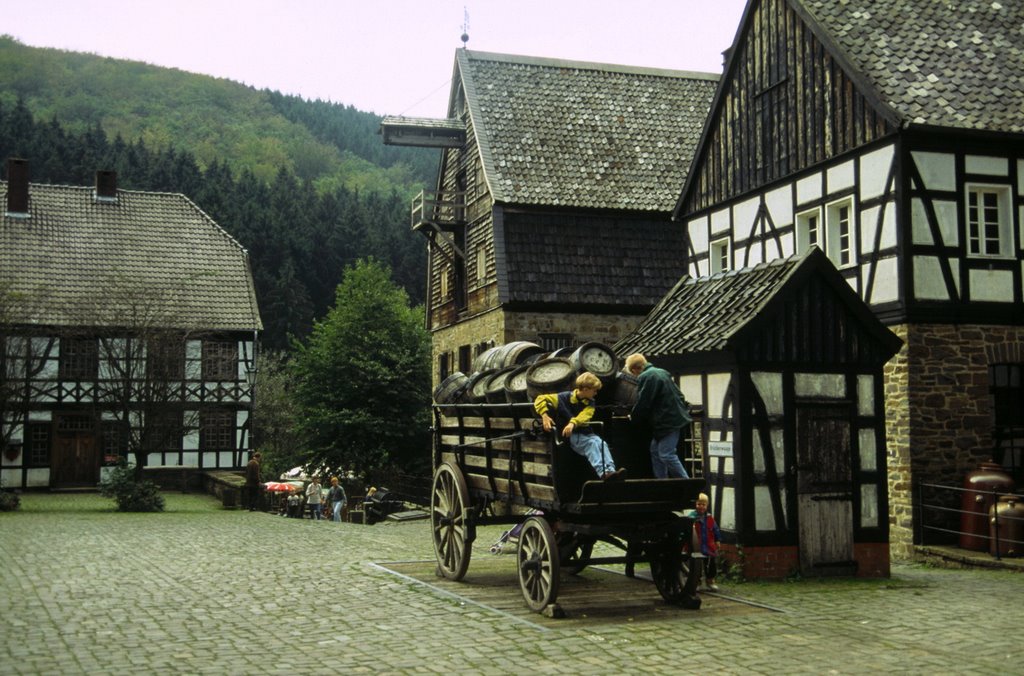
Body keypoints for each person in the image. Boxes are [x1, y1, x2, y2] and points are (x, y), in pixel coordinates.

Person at [534, 371, 625, 480]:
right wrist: (544, 415)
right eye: (594, 391)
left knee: (601, 443)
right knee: (591, 444)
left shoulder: (590, 402)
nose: (596, 393)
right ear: (586, 390)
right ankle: (603, 473)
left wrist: (573, 423)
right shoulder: (563, 398)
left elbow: (585, 415)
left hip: (586, 432)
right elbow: (540, 398)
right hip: (572, 436)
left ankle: (611, 471)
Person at [624, 353, 692, 478]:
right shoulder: (662, 372)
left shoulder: (646, 376)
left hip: (667, 422)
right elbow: (680, 395)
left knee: (667, 454)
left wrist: (633, 416)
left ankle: (688, 483)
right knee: (655, 451)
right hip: (673, 418)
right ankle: (662, 482)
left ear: (634, 370)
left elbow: (644, 402)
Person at [687, 492, 722, 591]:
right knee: (696, 565)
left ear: (707, 506)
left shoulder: (709, 517)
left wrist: (717, 540)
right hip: (696, 545)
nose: (701, 506)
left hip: (708, 545)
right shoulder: (691, 517)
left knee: (711, 564)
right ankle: (696, 582)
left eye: (703, 504)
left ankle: (710, 581)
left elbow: (715, 529)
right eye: (699, 504)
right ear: (695, 504)